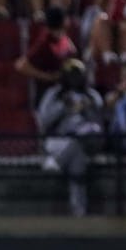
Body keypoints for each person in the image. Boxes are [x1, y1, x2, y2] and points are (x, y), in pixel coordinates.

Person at [36, 58, 104, 217]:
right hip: (60, 140)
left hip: (88, 139)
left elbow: (99, 124)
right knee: (77, 160)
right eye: (70, 75)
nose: (74, 79)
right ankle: (79, 211)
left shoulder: (92, 95)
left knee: (86, 136)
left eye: (77, 75)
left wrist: (88, 108)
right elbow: (44, 121)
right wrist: (62, 106)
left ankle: (57, 162)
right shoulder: (54, 94)